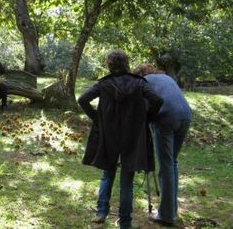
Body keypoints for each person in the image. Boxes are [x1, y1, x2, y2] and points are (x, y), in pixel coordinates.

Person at [78, 50, 163, 229]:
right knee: (127, 181)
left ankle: (101, 211)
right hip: (132, 135)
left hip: (109, 135)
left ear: (109, 65)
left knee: (107, 174)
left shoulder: (104, 84)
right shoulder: (139, 83)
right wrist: (146, 118)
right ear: (126, 63)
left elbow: (83, 99)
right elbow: (157, 100)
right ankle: (125, 222)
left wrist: (96, 117)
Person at [134, 64, 192, 226]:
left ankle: (166, 215)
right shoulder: (166, 77)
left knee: (166, 165)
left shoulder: (142, 81)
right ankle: (171, 209)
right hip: (186, 115)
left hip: (165, 117)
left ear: (139, 74)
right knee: (172, 162)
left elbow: (143, 107)